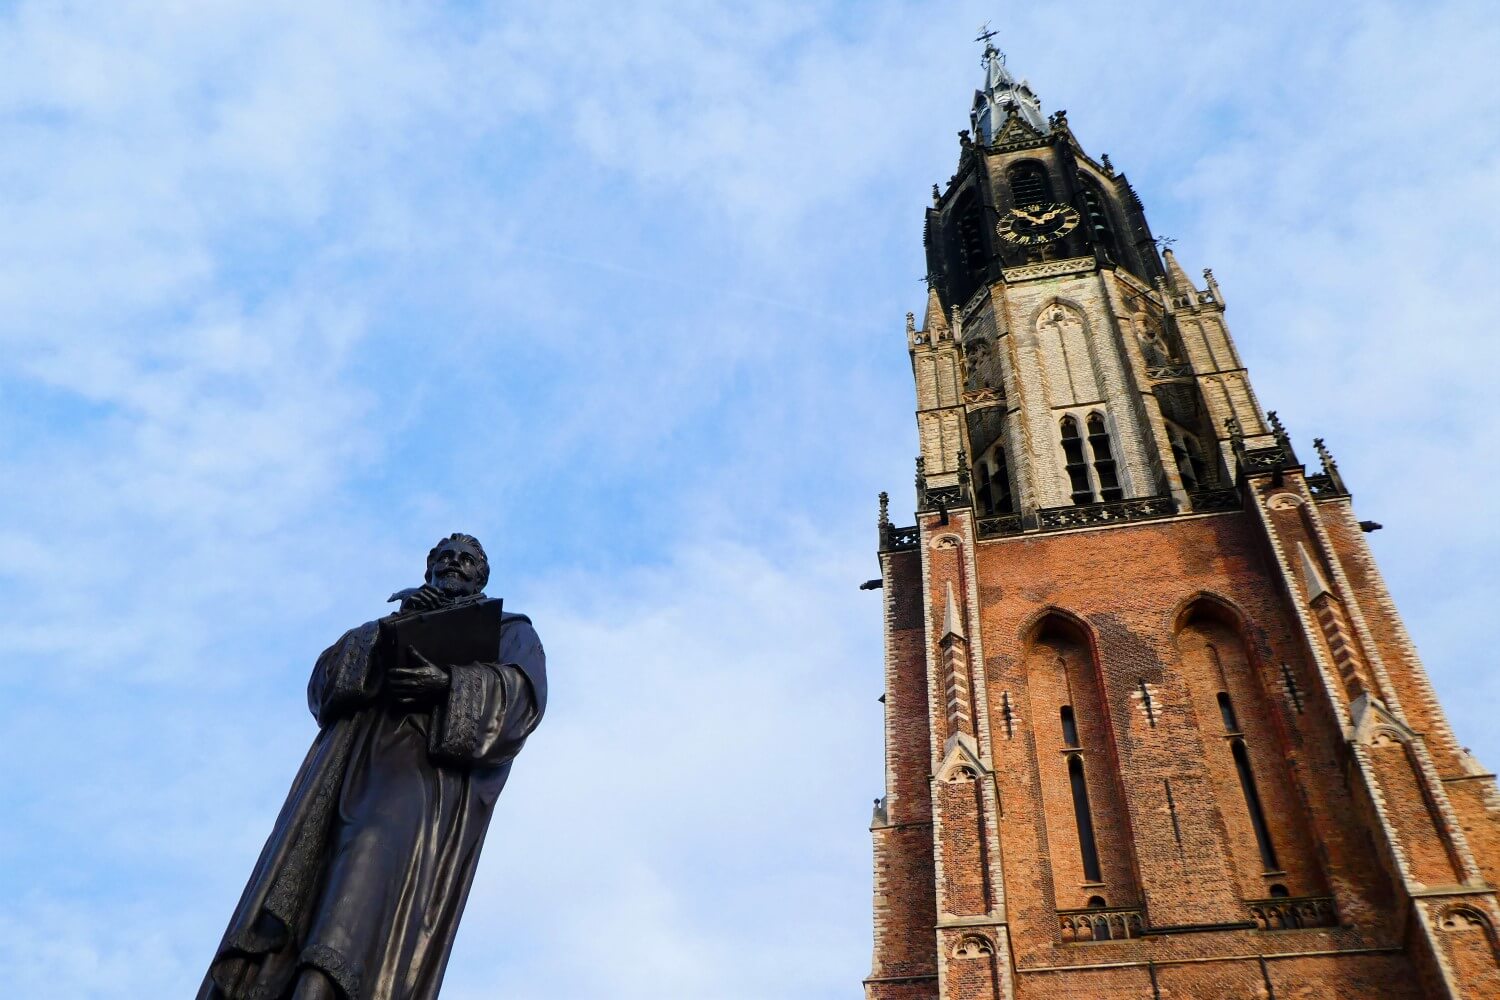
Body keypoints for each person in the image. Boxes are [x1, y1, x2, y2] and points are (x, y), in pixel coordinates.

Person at [199, 533, 547, 1000]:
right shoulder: (385, 624)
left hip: (417, 777)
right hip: (345, 766)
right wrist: (390, 634)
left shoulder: (507, 630)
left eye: (466, 560)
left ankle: (319, 988)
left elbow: (521, 698)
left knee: (368, 865)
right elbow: (323, 685)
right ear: (428, 569)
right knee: (309, 878)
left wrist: (446, 684)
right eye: (444, 557)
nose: (454, 564)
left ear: (481, 575)